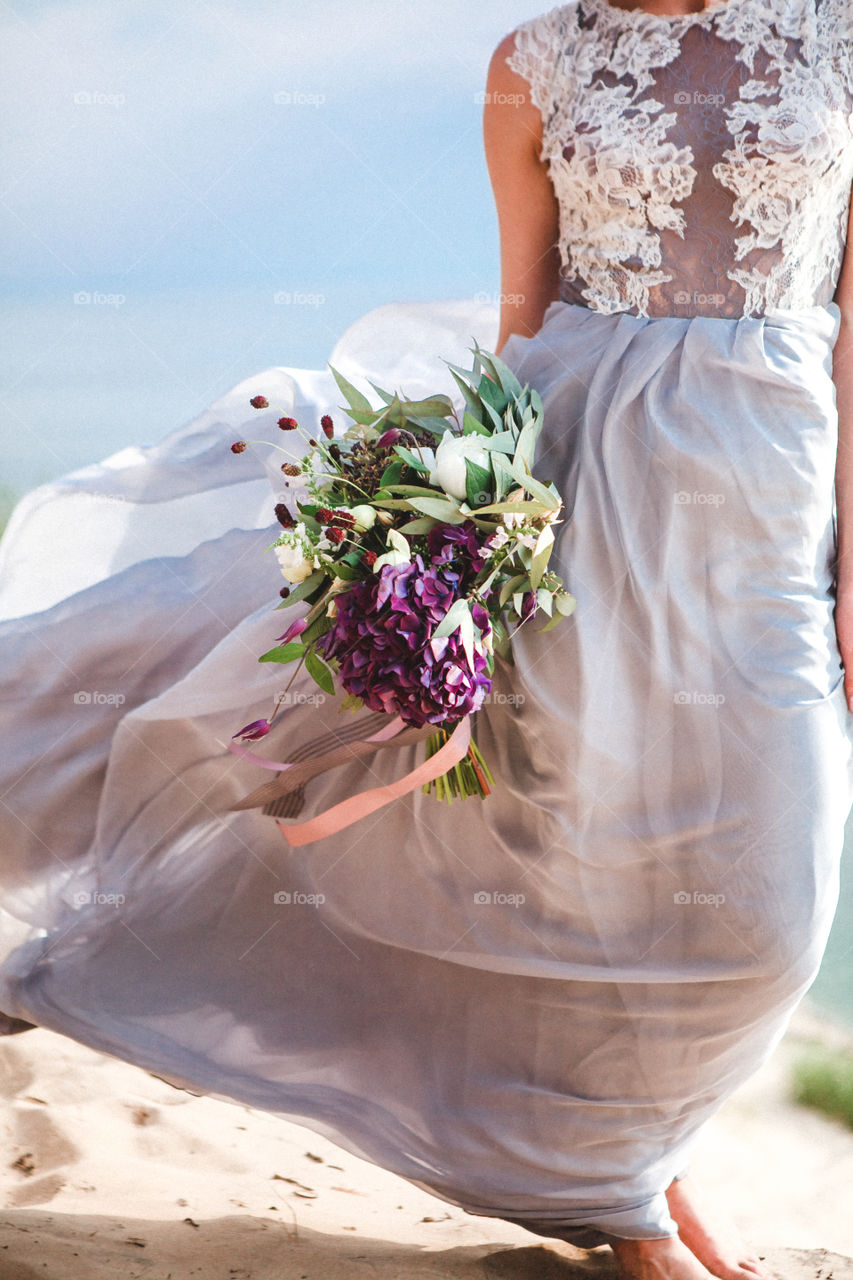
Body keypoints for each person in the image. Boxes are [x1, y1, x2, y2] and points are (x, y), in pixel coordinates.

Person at [1, 1, 852, 1276]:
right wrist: (472, 523)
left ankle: (614, 1162)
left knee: (766, 902)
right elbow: (526, 312)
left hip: (764, 489)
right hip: (570, 473)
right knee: (560, 825)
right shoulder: (536, 60)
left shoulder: (834, 34)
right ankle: (623, 1188)